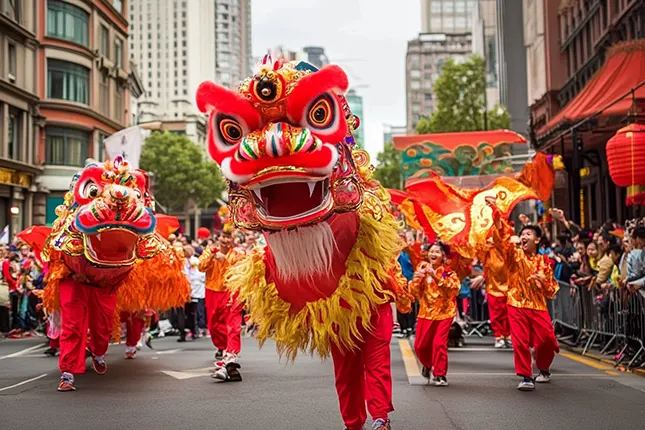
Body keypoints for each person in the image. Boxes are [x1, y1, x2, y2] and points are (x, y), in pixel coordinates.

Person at [486, 198, 560, 391]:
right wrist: (496, 210)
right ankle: (526, 376)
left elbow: (552, 291)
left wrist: (542, 281)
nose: (524, 236)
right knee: (520, 342)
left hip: (538, 306)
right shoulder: (514, 255)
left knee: (546, 340)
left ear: (537, 240)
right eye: (522, 234)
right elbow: (503, 238)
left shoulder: (544, 262)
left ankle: (543, 367)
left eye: (528, 234)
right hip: (516, 303)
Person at [408, 243, 460, 386]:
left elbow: (453, 290)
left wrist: (435, 276)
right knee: (420, 346)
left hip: (444, 313)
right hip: (426, 312)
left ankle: (440, 374)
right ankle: (427, 364)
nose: (434, 254)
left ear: (443, 256)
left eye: (437, 251)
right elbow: (415, 293)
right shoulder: (422, 268)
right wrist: (415, 280)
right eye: (431, 251)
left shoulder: (448, 273)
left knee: (439, 344)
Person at [198, 221, 245, 381]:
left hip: (231, 292)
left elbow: (239, 271)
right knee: (213, 324)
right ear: (219, 237)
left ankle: (229, 355)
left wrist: (224, 259)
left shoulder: (238, 254)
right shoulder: (209, 251)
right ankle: (224, 349)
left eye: (228, 237)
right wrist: (212, 257)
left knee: (232, 325)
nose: (225, 240)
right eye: (223, 237)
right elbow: (201, 267)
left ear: (234, 239)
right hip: (212, 291)